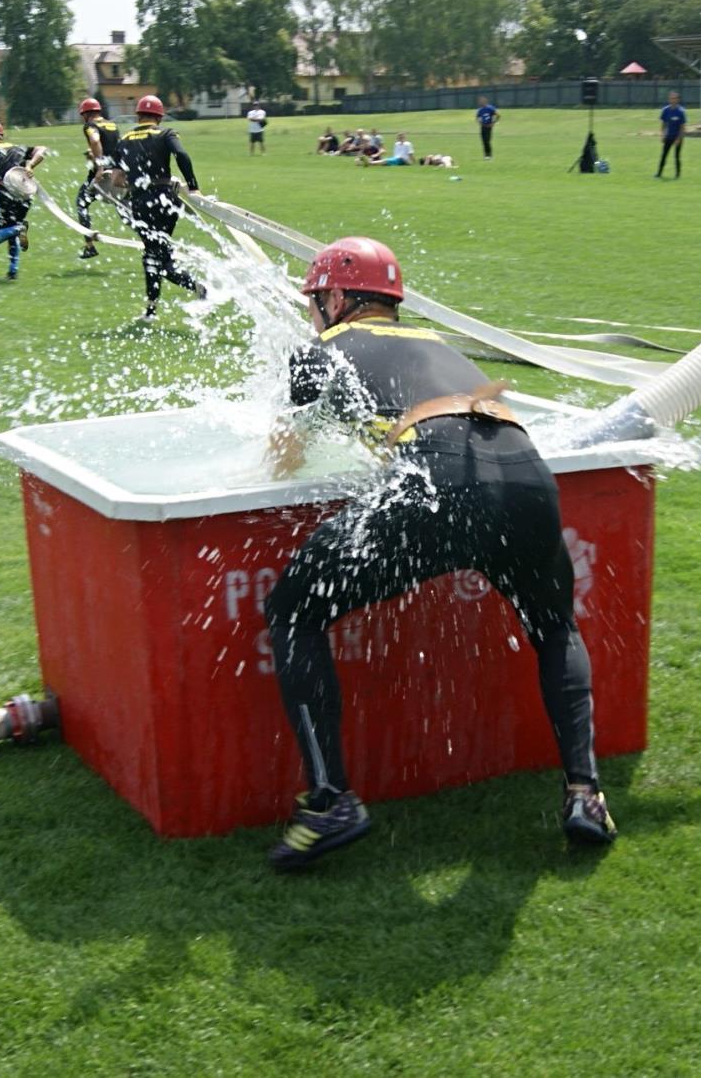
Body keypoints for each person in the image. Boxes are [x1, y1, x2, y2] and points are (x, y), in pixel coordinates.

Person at [260, 236, 617, 870]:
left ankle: (329, 800)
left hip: (443, 480)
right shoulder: (438, 344)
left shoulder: (321, 349)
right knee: (555, 625)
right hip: (527, 476)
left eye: (318, 300)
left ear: (337, 298)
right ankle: (585, 794)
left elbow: (283, 461)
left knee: (294, 609)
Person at [114, 94, 206, 322]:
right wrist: (193, 186)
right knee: (154, 255)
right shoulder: (166, 133)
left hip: (141, 203)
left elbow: (117, 180)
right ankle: (153, 307)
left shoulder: (124, 139)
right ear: (159, 116)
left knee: (155, 256)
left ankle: (195, 290)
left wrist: (133, 180)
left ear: (138, 115)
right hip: (166, 199)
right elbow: (181, 155)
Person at [0, 120, 46, 280]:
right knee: (11, 229)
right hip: (26, 193)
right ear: (1, 135)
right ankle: (13, 270)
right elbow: (42, 149)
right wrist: (30, 165)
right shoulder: (17, 147)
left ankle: (21, 228)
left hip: (5, 194)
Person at [74, 97, 120, 260]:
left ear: (86, 114)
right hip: (117, 174)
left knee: (81, 203)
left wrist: (100, 166)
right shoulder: (112, 125)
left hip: (102, 176)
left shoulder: (90, 126)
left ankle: (89, 246)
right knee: (125, 211)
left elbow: (95, 140)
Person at [655, 90, 686, 179]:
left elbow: (682, 127)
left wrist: (678, 139)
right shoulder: (665, 110)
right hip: (668, 137)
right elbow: (663, 124)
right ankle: (659, 174)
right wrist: (662, 135)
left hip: (677, 137)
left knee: (677, 156)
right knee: (664, 155)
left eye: (674, 98)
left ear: (678, 100)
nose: (672, 100)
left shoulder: (681, 111)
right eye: (671, 98)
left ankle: (677, 175)